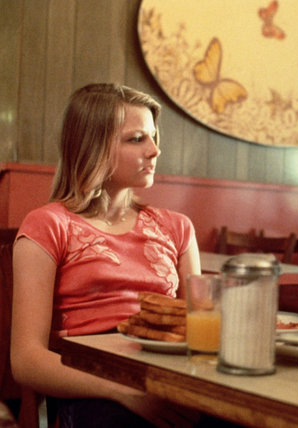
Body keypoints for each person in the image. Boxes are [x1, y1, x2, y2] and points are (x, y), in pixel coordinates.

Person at [10, 83, 202, 427]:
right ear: (93, 147)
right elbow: (26, 360)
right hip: (88, 388)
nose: (155, 150)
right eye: (136, 139)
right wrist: (123, 391)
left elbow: (198, 331)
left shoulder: (177, 227)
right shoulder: (49, 225)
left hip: (164, 378)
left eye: (153, 136)